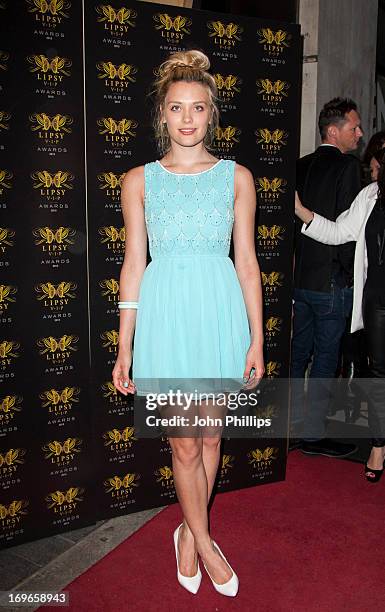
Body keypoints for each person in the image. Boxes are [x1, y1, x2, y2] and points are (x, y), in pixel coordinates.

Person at [112, 50, 264, 596]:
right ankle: (202, 542)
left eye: (197, 107)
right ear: (161, 114)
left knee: (212, 438)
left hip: (219, 313)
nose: (186, 118)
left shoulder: (237, 177)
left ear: (211, 114)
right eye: (176, 108)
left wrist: (256, 339)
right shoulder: (138, 181)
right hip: (167, 317)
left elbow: (247, 262)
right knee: (183, 445)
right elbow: (133, 264)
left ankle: (186, 530)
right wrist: (124, 346)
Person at [295, 149, 385, 482]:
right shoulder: (371, 194)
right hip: (377, 299)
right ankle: (378, 445)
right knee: (377, 374)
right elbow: (338, 233)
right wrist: (302, 211)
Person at [291, 97, 363, 457]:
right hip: (332, 281)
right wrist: (352, 277)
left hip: (300, 278)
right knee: (324, 359)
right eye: (354, 127)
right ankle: (314, 434)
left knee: (297, 353)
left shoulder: (300, 165)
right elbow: (346, 231)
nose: (360, 133)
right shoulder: (349, 168)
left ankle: (285, 431)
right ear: (333, 132)